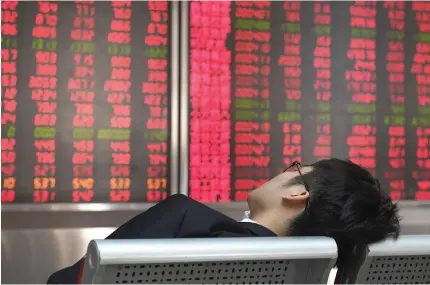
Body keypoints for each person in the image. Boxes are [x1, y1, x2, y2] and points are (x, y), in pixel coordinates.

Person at [47, 158, 400, 284]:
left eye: (294, 168)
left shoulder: (184, 219)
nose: (282, 172)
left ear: (296, 194)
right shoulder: (301, 277)